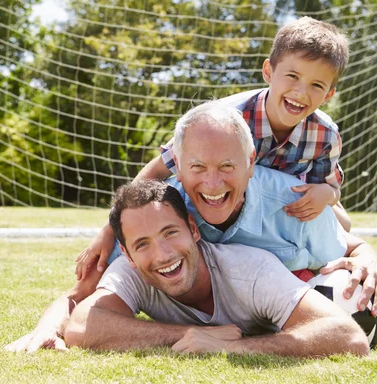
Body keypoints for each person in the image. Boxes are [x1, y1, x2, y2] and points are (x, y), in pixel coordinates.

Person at [5, 102, 377, 354]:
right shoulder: (157, 218)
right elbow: (79, 309)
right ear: (178, 165)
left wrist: (366, 254)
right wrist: (47, 325)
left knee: (337, 229)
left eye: (226, 167)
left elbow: (348, 333)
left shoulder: (290, 208)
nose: (212, 183)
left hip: (287, 271)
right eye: (197, 168)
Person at [61, 180, 369, 357]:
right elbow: (80, 327)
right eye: (142, 244)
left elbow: (348, 336)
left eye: (170, 233)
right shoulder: (131, 272)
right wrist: (190, 333)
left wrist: (230, 349)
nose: (163, 254)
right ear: (127, 255)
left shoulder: (250, 269)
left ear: (193, 229)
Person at [131, 16, 351, 229]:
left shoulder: (325, 134)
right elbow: (157, 170)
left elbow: (330, 190)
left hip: (271, 219)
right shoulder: (224, 120)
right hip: (209, 210)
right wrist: (113, 227)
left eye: (316, 85)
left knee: (344, 225)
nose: (301, 92)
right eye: (292, 76)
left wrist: (329, 194)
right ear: (268, 71)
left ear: (328, 95)